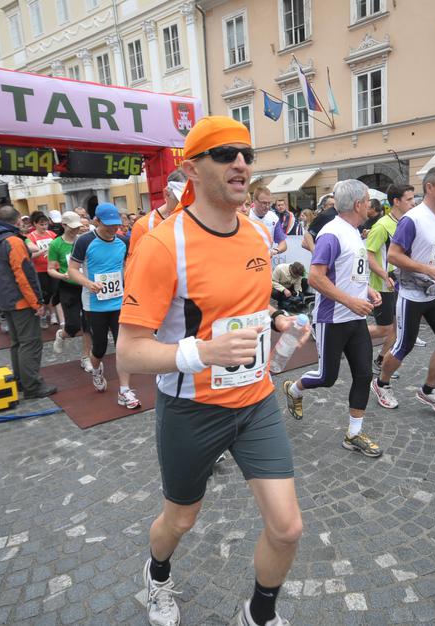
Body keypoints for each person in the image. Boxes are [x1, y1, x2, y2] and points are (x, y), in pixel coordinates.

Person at [117, 116, 304, 626]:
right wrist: (202, 353)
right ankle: (157, 574)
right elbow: (129, 353)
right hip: (192, 409)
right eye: (224, 154)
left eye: (247, 154)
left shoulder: (257, 233)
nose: (240, 163)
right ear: (192, 169)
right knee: (181, 519)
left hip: (256, 401)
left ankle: (258, 615)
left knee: (287, 527)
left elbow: (248, 304)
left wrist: (279, 319)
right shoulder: (164, 245)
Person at [283, 180, 383, 457]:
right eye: (367, 200)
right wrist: (351, 300)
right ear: (358, 204)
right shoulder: (332, 234)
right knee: (327, 377)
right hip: (332, 319)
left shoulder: (354, 231)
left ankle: (354, 434)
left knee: (363, 374)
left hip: (355, 318)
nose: (370, 205)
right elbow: (316, 277)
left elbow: (349, 271)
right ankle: (294, 389)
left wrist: (367, 290)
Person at [371, 166, 435, 415]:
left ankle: (429, 390)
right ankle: (381, 383)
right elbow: (393, 256)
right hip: (411, 294)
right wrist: (428, 269)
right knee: (404, 345)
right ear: (430, 187)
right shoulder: (412, 219)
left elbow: (430, 246)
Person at [68, 203, 141, 409]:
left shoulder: (123, 241)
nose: (113, 228)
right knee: (99, 348)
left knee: (123, 347)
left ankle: (125, 390)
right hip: (94, 305)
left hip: (119, 303)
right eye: (108, 225)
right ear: (96, 221)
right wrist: (88, 283)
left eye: (116, 224)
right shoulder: (84, 241)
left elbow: (126, 266)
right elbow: (72, 269)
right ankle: (97, 370)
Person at [0, 206, 56, 398]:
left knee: (17, 342)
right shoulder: (13, 242)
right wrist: (36, 303)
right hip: (21, 301)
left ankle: (20, 380)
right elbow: (23, 275)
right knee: (30, 343)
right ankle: (32, 385)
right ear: (17, 221)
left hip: (6, 298)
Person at [366, 183, 413, 376]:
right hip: (383, 285)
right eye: (409, 199)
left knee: (397, 327)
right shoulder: (381, 226)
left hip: (400, 284)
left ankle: (380, 361)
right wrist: (385, 275)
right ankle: (346, 333)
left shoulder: (407, 223)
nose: (413, 203)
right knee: (385, 329)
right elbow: (368, 256)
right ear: (396, 201)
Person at [47, 212, 93, 367]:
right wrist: (62, 275)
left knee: (88, 324)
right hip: (68, 287)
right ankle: (62, 334)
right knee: (73, 325)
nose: (75, 230)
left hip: (85, 286)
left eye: (77, 227)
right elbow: (50, 269)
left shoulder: (83, 241)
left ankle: (86, 357)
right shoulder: (56, 244)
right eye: (72, 227)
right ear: (63, 225)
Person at [128, 169, 187, 256]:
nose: (186, 205)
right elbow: (134, 261)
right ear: (166, 193)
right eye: (181, 200)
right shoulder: (143, 226)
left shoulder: (194, 220)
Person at [25, 211, 58, 328]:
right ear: (35, 224)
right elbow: (30, 256)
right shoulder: (30, 237)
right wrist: (43, 251)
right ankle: (43, 315)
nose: (44, 227)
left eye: (46, 224)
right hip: (40, 270)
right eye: (41, 224)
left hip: (54, 267)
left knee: (54, 291)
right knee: (44, 293)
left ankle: (53, 314)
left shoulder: (51, 234)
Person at [249, 187, 288, 257]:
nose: (267, 206)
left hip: (266, 260)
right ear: (254, 201)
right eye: (264, 203)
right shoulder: (246, 216)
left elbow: (283, 244)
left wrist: (275, 250)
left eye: (269, 203)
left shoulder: (273, 217)